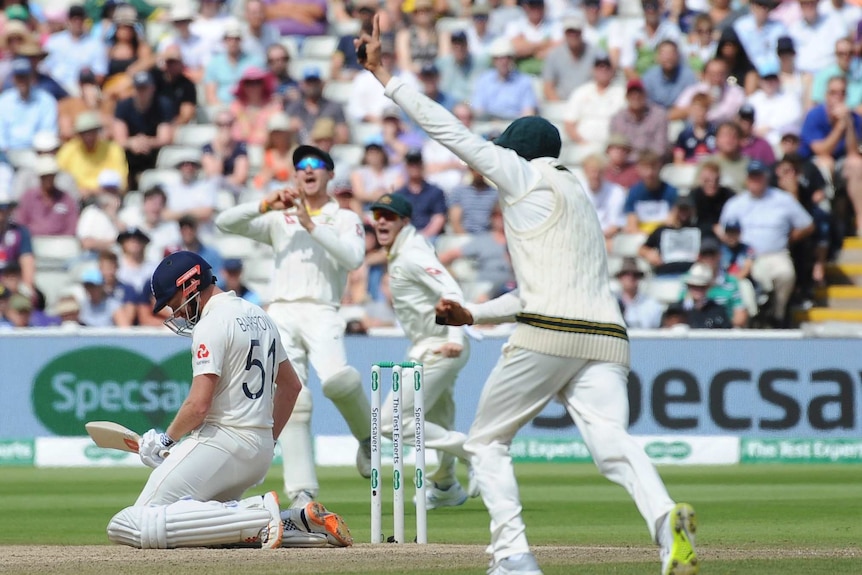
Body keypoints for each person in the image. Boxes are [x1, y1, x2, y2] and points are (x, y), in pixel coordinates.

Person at [355, 16, 697, 575]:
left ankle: (514, 556)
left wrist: (385, 76)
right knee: (613, 446)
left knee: (486, 444)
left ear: (516, 152)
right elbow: (540, 286)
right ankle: (666, 525)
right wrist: (472, 313)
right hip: (607, 338)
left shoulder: (523, 175)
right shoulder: (580, 196)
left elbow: (452, 134)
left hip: (549, 335)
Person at [106, 250, 353, 550]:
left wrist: (165, 441)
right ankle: (296, 521)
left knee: (130, 523)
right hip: (258, 452)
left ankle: (257, 512)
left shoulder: (211, 323)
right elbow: (291, 386)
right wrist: (267, 439)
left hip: (221, 442)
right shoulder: (261, 316)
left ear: (190, 285)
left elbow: (199, 405)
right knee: (202, 530)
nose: (178, 313)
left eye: (175, 303)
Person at [215, 144, 373, 505]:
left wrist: (311, 225)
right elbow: (224, 222)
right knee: (293, 398)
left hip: (323, 309)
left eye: (317, 164)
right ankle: (302, 492)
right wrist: (264, 205)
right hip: (283, 312)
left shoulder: (344, 217)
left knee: (337, 380)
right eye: (300, 165)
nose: (307, 170)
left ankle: (368, 438)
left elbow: (353, 258)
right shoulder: (279, 217)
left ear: (330, 174)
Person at [370, 192, 478, 508]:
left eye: (389, 217)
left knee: (388, 422)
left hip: (439, 347)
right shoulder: (401, 252)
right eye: (378, 216)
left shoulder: (413, 253)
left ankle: (472, 451)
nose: (381, 222)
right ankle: (446, 486)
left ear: (405, 221)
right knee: (438, 419)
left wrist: (456, 339)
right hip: (429, 345)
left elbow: (452, 290)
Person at [719, 160, 814, 326]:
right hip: (744, 254)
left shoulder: (782, 199)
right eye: (752, 177)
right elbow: (723, 230)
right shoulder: (735, 203)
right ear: (747, 179)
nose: (755, 180)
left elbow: (807, 225)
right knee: (746, 281)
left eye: (759, 177)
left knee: (786, 274)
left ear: (766, 177)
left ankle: (777, 314)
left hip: (776, 253)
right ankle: (751, 317)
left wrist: (789, 239)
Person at [393, 149, 447, 240]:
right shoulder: (399, 195)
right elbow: (397, 220)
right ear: (406, 167)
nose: (414, 167)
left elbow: (439, 218)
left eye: (417, 163)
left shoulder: (435, 191)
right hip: (406, 237)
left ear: (422, 165)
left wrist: (422, 237)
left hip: (430, 237)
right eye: (411, 164)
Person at [541, 14, 595, 102]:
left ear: (581, 32)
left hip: (588, 104)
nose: (573, 35)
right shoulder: (554, 55)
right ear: (564, 33)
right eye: (570, 32)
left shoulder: (594, 53)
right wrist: (560, 107)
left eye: (576, 31)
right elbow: (548, 87)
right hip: (561, 104)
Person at [615, 257, 664, 329]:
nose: (631, 278)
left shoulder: (652, 304)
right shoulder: (613, 303)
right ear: (620, 278)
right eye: (626, 274)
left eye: (635, 275)